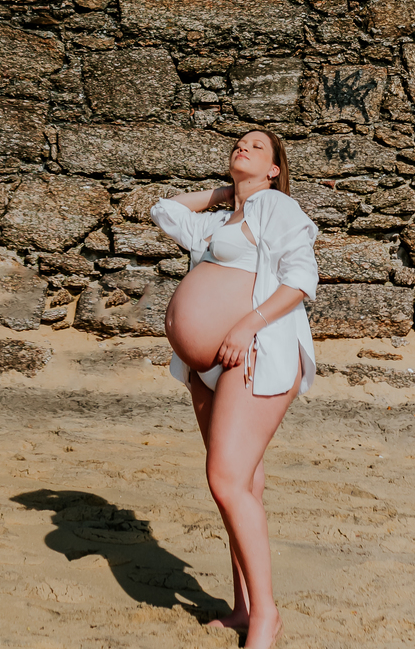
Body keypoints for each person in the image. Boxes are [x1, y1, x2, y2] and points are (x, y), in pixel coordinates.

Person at [151, 128, 319, 649]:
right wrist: (226, 195)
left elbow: (302, 278)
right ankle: (244, 608)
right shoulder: (223, 220)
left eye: (258, 147)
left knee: (224, 481)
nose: (243, 148)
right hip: (207, 369)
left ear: (274, 170)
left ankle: (266, 616)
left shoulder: (275, 206)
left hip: (253, 356)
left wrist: (246, 324)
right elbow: (164, 210)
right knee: (242, 486)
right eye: (238, 144)